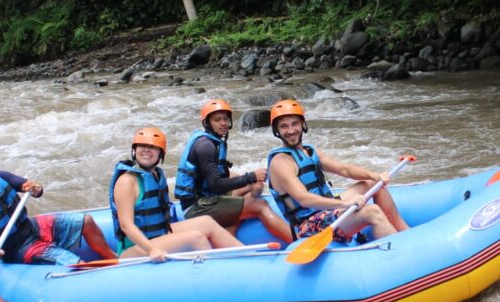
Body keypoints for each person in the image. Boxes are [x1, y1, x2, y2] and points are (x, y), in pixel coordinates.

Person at [266, 99, 409, 243]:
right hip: (309, 224)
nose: (291, 131)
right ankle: (400, 252)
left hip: (327, 209)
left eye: (294, 124)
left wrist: (375, 175)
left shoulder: (309, 151)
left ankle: (405, 232)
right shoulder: (280, 163)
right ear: (276, 131)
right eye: (284, 126)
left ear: (303, 124)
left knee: (372, 183)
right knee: (372, 211)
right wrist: (346, 204)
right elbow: (304, 199)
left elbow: (344, 169)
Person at [0, 139, 116, 265]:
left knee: (86, 221)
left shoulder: (0, 177)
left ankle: (114, 260)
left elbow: (33, 189)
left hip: (31, 228)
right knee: (76, 264)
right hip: (15, 248)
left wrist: (35, 188)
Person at [109, 127, 243, 261]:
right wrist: (152, 249)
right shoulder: (127, 181)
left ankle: (247, 257)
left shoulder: (155, 175)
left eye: (152, 147)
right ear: (134, 150)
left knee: (207, 222)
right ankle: (216, 274)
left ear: (161, 153)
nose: (146, 150)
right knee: (195, 238)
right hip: (135, 247)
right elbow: (126, 225)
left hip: (158, 234)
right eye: (142, 146)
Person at [175, 99, 293, 243]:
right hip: (197, 207)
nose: (223, 123)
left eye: (225, 119)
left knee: (256, 185)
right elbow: (216, 184)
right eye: (217, 120)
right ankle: (296, 240)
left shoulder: (214, 141)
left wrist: (252, 179)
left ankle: (230, 229)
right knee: (261, 206)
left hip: (209, 197)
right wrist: (250, 176)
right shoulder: (205, 146)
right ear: (207, 123)